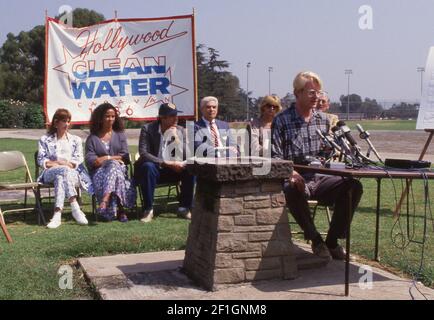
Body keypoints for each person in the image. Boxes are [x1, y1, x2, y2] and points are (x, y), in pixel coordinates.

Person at [272, 71, 363, 260]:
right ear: (297, 93)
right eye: (311, 92)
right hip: (295, 177)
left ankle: (332, 241)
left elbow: (326, 154)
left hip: (320, 177)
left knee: (353, 186)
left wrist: (330, 153)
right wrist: (292, 173)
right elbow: (276, 156)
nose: (316, 97)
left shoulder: (324, 120)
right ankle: (315, 240)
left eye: (319, 93)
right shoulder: (281, 120)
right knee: (291, 189)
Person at [135, 103, 195, 223]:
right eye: (172, 116)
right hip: (154, 170)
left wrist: (176, 139)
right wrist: (165, 163)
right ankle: (148, 210)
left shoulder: (180, 130)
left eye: (176, 115)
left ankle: (184, 208)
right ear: (162, 118)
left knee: (190, 167)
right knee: (148, 166)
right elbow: (144, 153)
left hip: (173, 170)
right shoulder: (148, 129)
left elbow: (188, 154)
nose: (176, 118)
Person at [37, 108, 92, 229]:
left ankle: (57, 214)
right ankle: (75, 207)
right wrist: (58, 163)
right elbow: (41, 160)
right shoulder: (44, 140)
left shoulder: (76, 140)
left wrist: (66, 165)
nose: (67, 124)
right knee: (62, 171)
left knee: (60, 177)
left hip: (72, 173)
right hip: (49, 173)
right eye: (64, 121)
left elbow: (78, 159)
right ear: (56, 122)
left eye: (68, 121)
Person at [85, 103, 136, 222]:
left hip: (120, 170)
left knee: (114, 166)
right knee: (114, 166)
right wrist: (112, 158)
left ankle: (105, 200)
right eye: (107, 116)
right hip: (100, 174)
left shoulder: (120, 135)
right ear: (100, 118)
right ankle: (121, 210)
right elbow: (91, 161)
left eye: (113, 116)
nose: (110, 119)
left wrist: (105, 159)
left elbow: (125, 156)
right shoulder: (92, 138)